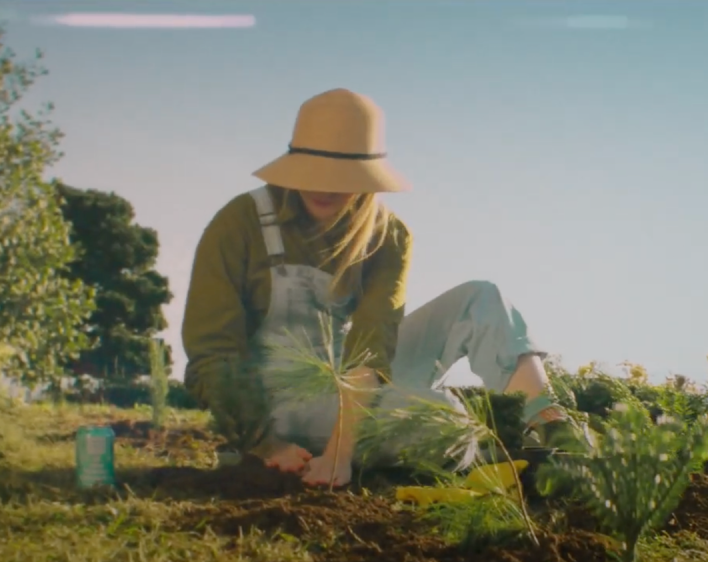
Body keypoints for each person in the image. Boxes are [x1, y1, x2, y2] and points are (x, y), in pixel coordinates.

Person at [181, 88, 570, 488]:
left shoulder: (389, 235)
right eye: (313, 170)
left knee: (482, 297)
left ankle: (555, 436)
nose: (325, 188)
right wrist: (265, 443)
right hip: (276, 400)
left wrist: (339, 454)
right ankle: (465, 444)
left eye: (342, 176)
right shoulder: (240, 223)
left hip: (353, 380)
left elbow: (371, 345)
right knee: (440, 419)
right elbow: (213, 355)